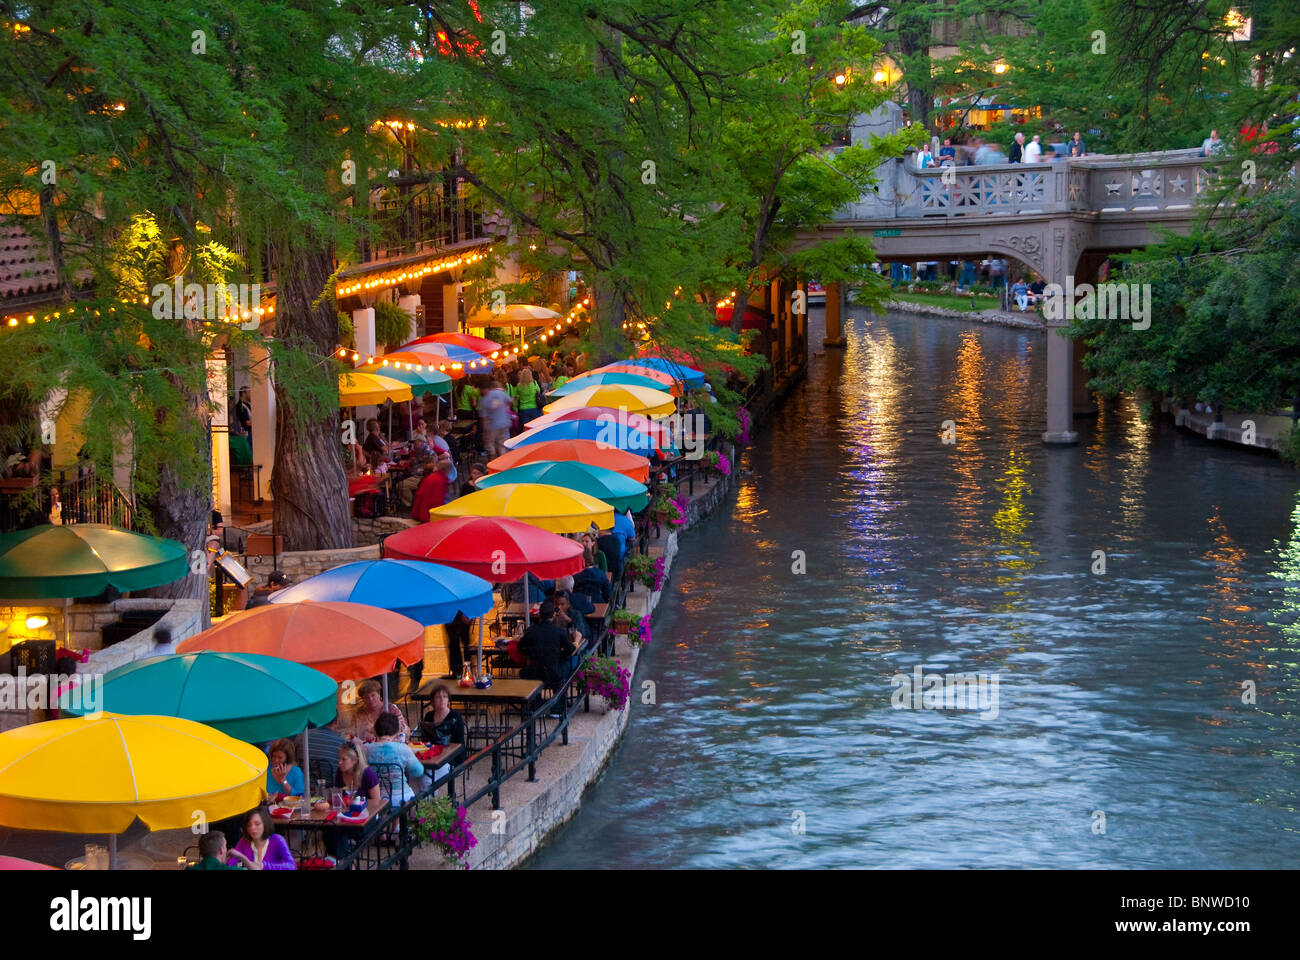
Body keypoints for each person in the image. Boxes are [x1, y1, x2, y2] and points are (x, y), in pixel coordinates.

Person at [363, 713, 426, 805]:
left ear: (376, 730)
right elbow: (418, 771)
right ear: (397, 731)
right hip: (401, 797)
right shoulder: (402, 748)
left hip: (376, 797)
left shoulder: (366, 749)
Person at [519, 600, 579, 691]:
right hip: (553, 674)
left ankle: (538, 701)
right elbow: (570, 650)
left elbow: (521, 647)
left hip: (533, 673)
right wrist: (576, 641)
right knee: (573, 659)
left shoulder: (530, 630)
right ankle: (562, 698)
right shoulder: (559, 631)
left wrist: (532, 653)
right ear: (553, 615)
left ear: (539, 615)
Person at [227, 808, 296, 870]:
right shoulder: (244, 841)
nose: (252, 828)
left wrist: (264, 866)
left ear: (265, 824)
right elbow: (231, 863)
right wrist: (245, 864)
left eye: (257, 824)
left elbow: (292, 866)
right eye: (249, 825)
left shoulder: (277, 840)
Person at [479, 379, 513, 460]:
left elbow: (485, 419)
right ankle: (502, 464)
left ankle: (493, 464)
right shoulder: (500, 393)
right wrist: (506, 408)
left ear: (483, 389)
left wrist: (484, 432)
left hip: (492, 426)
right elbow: (510, 400)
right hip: (504, 423)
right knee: (501, 445)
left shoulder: (484, 400)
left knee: (491, 447)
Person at [411, 456, 453, 521]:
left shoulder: (431, 477)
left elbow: (420, 495)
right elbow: (437, 501)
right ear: (447, 470)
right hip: (430, 514)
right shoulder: (440, 480)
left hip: (422, 510)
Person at [444, 611, 472, 676]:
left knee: (463, 645)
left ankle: (465, 671)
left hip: (458, 615)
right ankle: (459, 671)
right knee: (455, 645)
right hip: (452, 616)